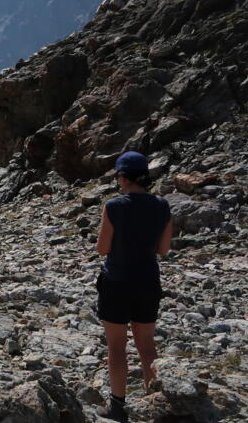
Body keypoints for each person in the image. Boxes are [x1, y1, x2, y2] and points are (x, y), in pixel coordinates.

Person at [94, 151, 172, 422]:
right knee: (147, 346)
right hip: (148, 281)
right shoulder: (162, 205)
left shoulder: (114, 206)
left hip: (117, 282)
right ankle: (155, 405)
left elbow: (102, 248)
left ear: (124, 177)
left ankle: (118, 408)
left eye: (118, 176)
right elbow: (163, 249)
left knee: (116, 347)